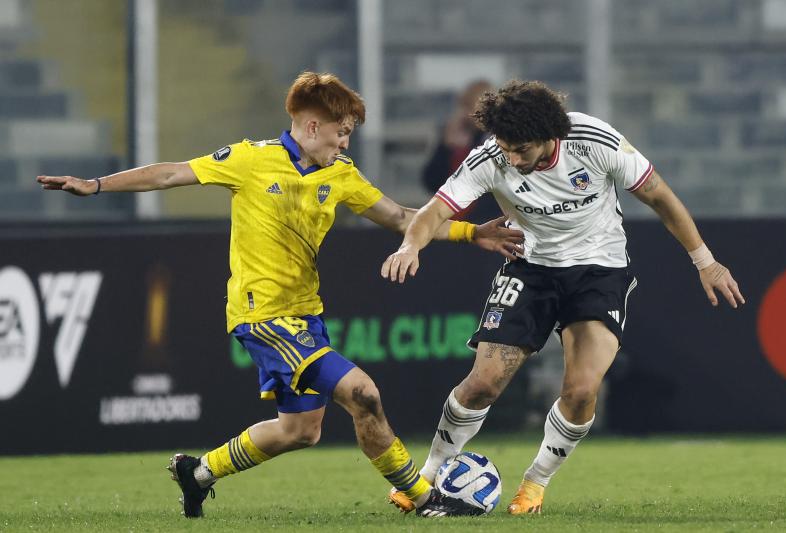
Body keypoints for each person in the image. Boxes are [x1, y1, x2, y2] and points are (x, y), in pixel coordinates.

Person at [37, 72, 524, 519]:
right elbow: (170, 174)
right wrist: (95, 185)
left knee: (300, 430)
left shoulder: (340, 174)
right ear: (312, 127)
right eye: (342, 131)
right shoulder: (250, 159)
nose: (346, 141)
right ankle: (425, 499)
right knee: (364, 395)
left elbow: (398, 217)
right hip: (264, 317)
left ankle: (197, 472)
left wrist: (470, 233)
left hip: (305, 315)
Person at [381, 80, 745, 515]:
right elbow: (434, 211)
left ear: (550, 135)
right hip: (530, 270)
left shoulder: (595, 141)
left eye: (521, 149)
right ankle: (428, 474)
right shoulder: (491, 157)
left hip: (599, 271)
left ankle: (534, 485)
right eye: (506, 148)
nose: (512, 159)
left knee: (581, 390)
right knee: (482, 384)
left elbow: (659, 196)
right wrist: (410, 246)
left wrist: (705, 261)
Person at [421, 79, 500, 223]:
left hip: (490, 222)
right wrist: (446, 147)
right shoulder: (456, 137)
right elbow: (431, 181)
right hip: (458, 224)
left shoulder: (500, 139)